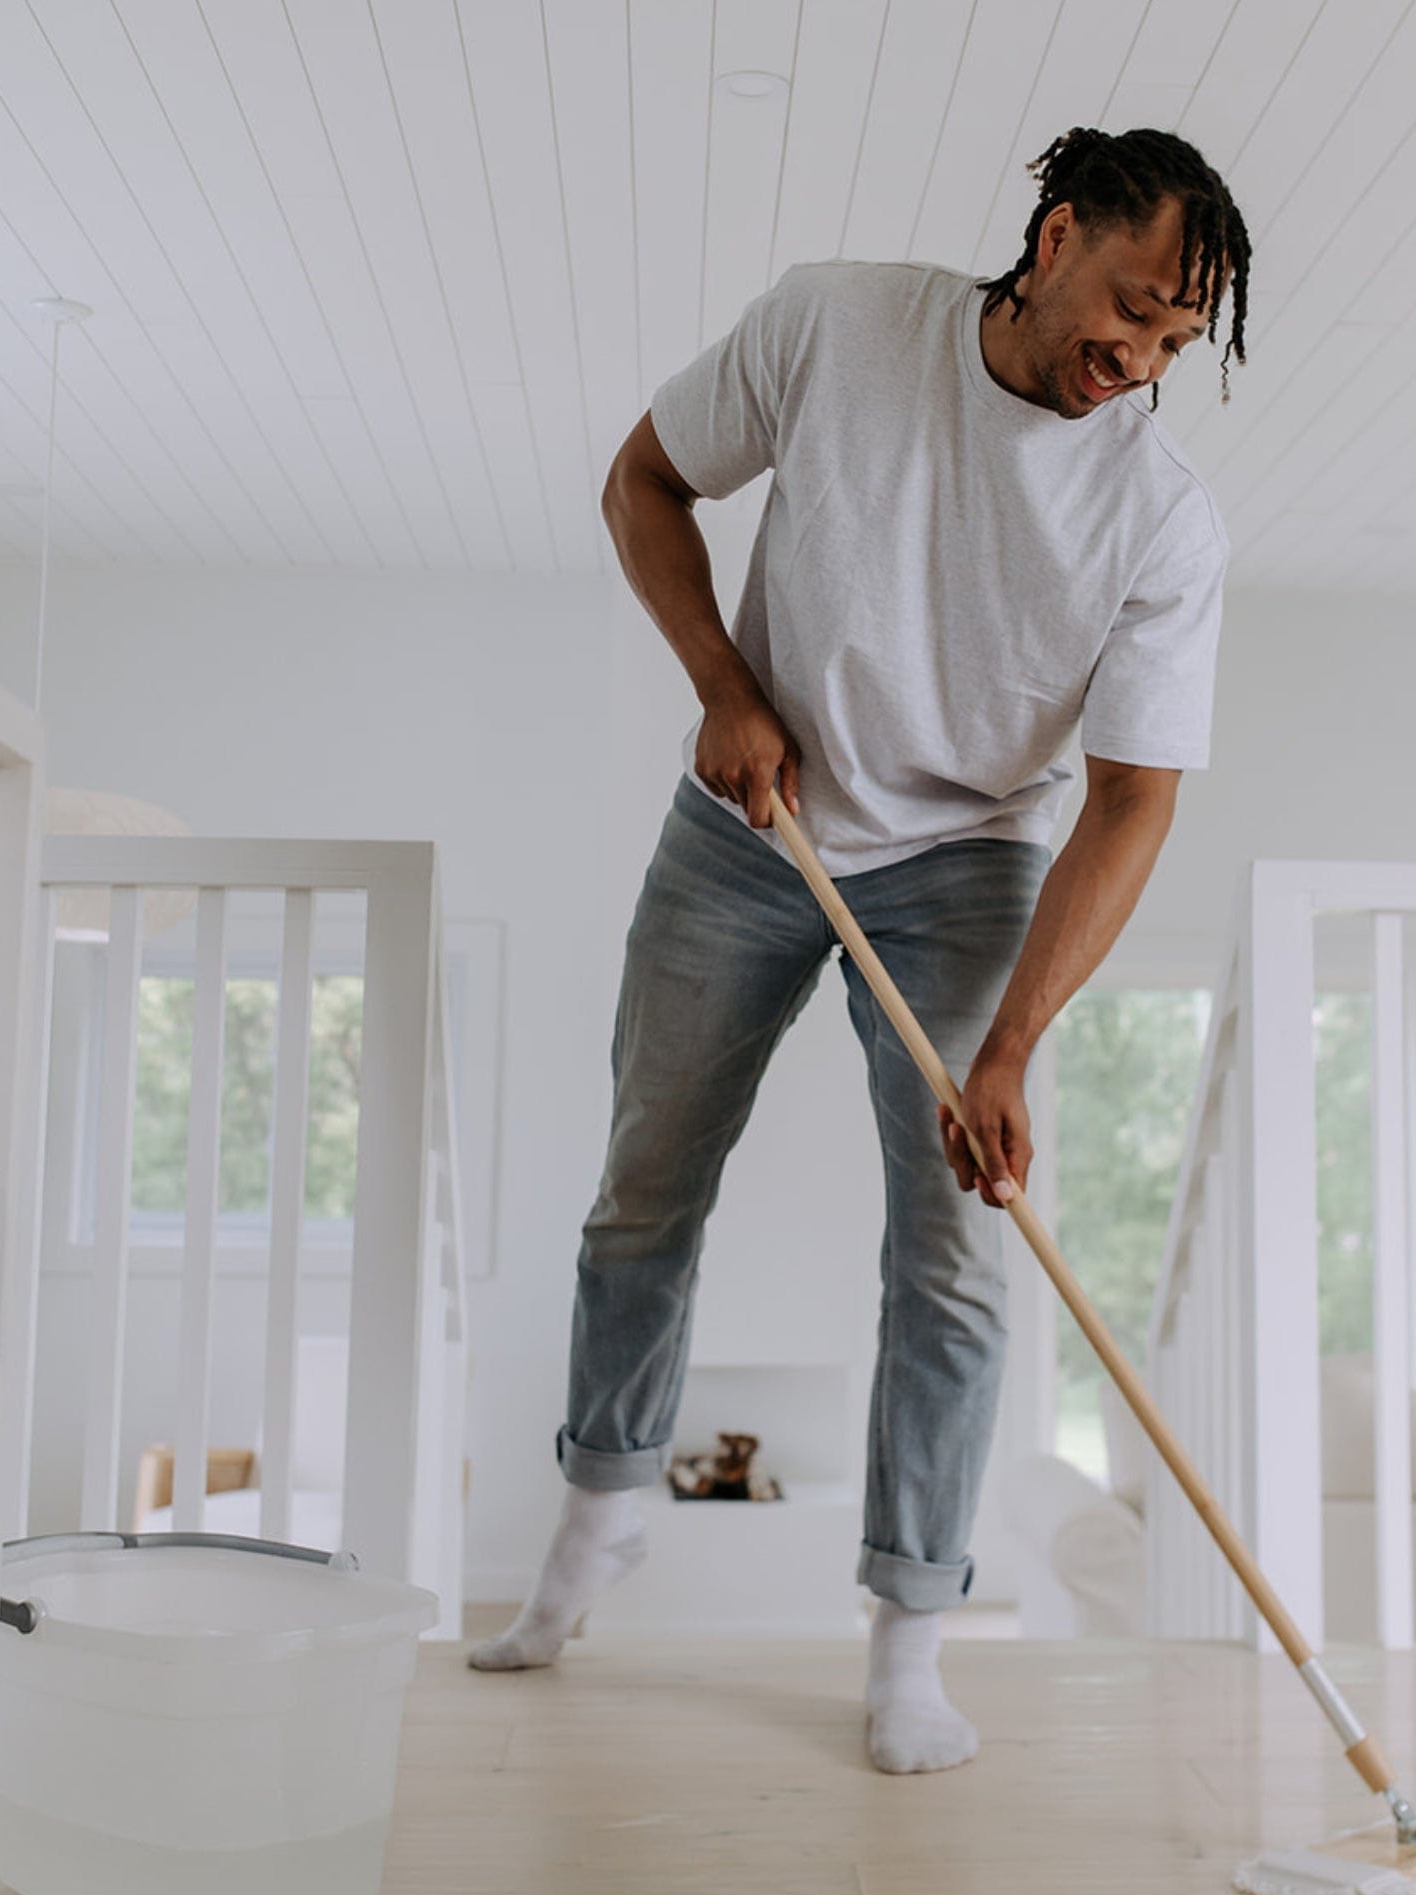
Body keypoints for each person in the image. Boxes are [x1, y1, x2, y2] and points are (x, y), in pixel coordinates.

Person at [470, 126, 1251, 1775]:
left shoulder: (1161, 524)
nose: (1140, 359)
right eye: (1129, 307)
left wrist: (1016, 1041)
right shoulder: (835, 325)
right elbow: (643, 483)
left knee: (958, 1260)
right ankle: (598, 1512)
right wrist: (721, 687)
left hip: (973, 859)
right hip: (757, 820)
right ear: (1050, 242)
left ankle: (910, 1640)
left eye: (1178, 340)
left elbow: (1129, 805)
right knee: (645, 1184)